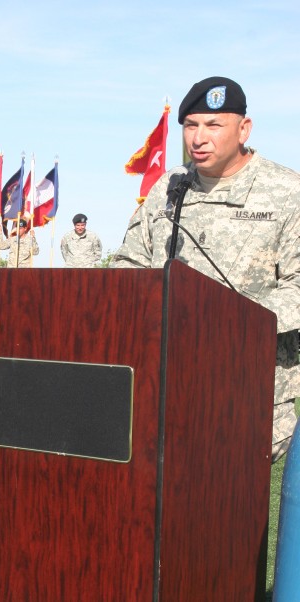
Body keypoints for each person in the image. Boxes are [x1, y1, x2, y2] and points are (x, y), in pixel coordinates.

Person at [110, 76, 300, 462]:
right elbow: (129, 265)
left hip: (249, 394)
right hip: (165, 386)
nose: (198, 138)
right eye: (191, 125)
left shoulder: (287, 192)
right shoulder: (170, 186)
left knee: (227, 509)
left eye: (213, 125)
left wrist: (226, 318)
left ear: (243, 129)